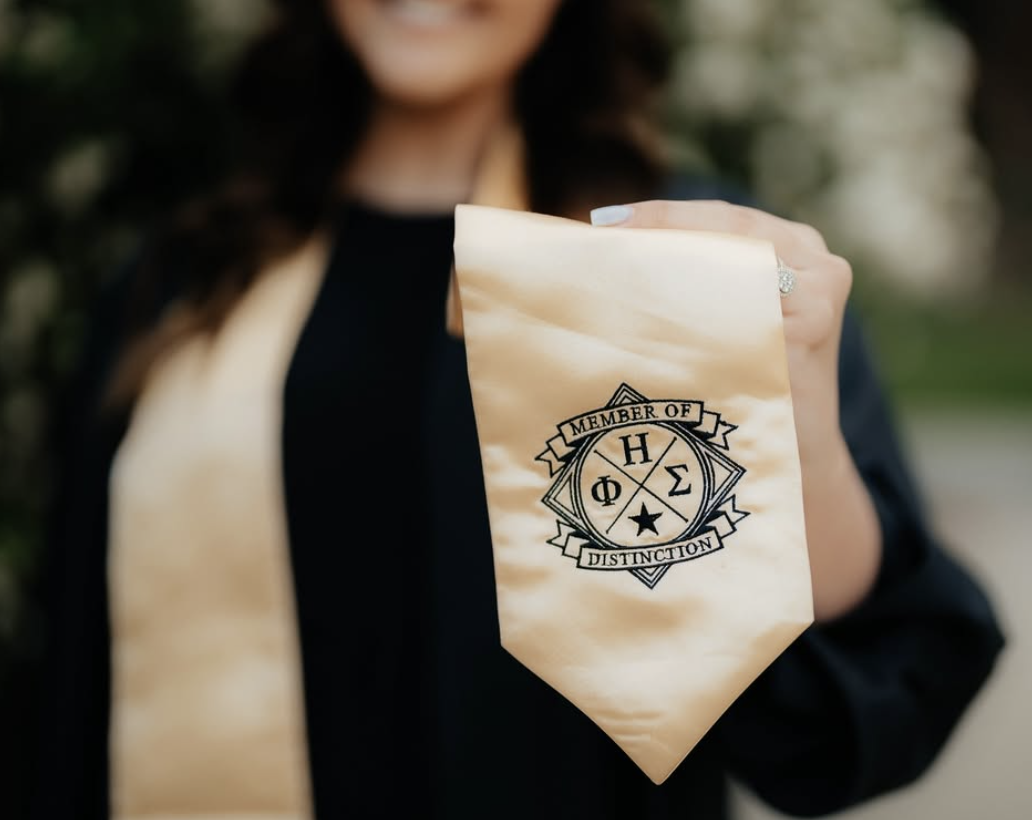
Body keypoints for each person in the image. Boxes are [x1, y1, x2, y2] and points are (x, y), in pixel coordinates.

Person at [27, 0, 1004, 818]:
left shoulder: (683, 265)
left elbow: (868, 703)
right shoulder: (187, 284)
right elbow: (66, 682)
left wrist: (804, 449)